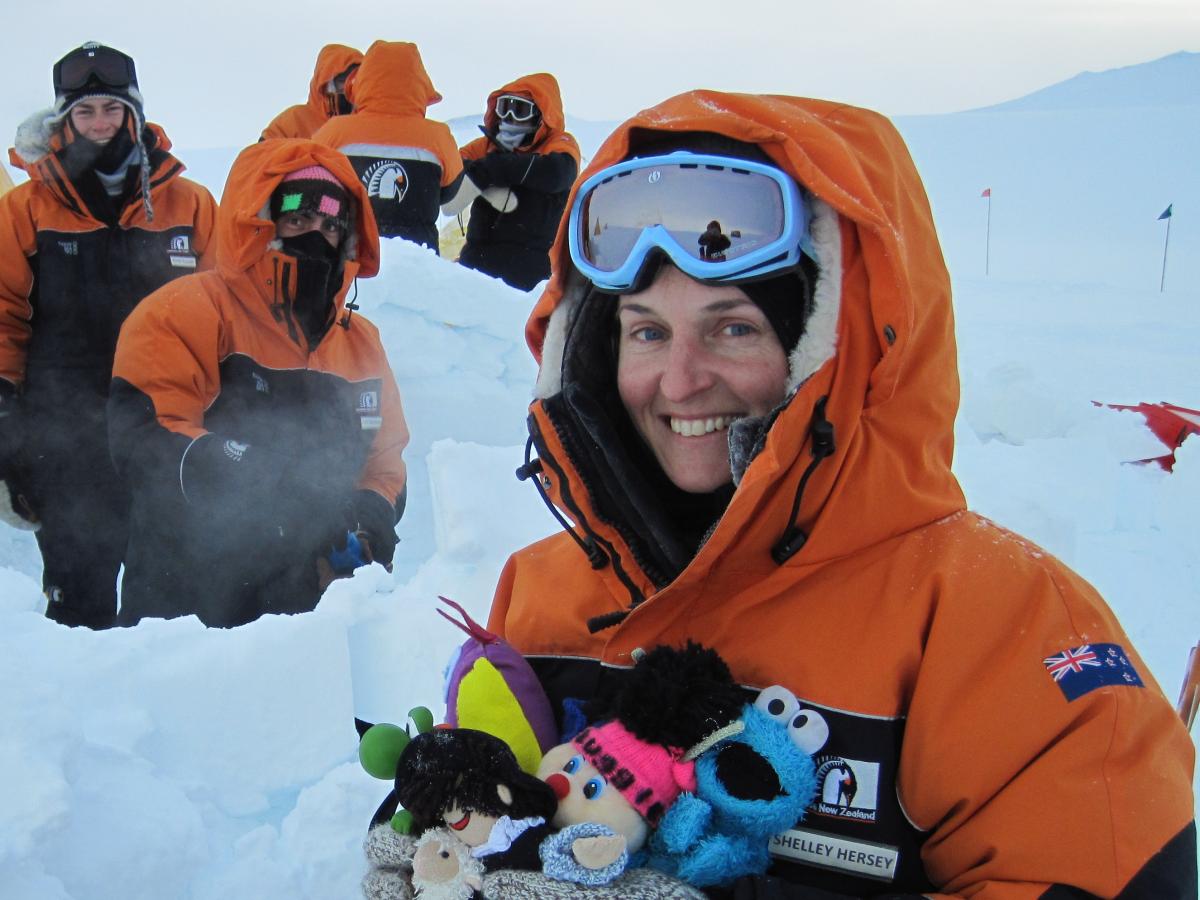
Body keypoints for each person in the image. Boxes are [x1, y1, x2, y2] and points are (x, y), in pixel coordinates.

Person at [486, 91, 1197, 897]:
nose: (679, 382)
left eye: (734, 328)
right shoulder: (538, 592)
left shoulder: (1001, 627)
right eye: (646, 331)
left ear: (836, 348)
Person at [107, 139, 409, 628]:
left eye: (332, 225)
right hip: (185, 606)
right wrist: (255, 474)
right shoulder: (183, 312)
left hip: (310, 612)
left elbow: (385, 459)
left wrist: (371, 509)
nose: (316, 235)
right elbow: (148, 435)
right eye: (297, 219)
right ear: (258, 222)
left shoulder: (361, 344)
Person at [0, 41, 216, 629]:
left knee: (168, 595)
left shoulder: (190, 204)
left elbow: (223, 309)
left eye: (112, 110)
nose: (100, 124)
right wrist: (6, 421)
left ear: (134, 114)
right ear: (63, 120)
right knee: (77, 595)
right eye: (84, 112)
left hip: (163, 425)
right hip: (64, 431)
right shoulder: (26, 208)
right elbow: (3, 313)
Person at [312, 41, 462, 252]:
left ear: (362, 82)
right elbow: (449, 192)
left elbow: (308, 182)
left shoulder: (333, 132)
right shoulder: (439, 137)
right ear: (420, 84)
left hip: (350, 258)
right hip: (418, 257)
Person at [448, 74, 580, 290]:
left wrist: (493, 170)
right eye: (504, 108)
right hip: (478, 261)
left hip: (532, 267)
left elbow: (559, 173)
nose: (509, 118)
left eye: (519, 110)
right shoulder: (487, 145)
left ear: (541, 115)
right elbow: (453, 166)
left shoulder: (558, 144)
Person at [260, 43, 362, 141]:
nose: (348, 85)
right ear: (325, 83)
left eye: (354, 79)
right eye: (341, 80)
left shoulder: (366, 123)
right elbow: (262, 154)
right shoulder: (295, 121)